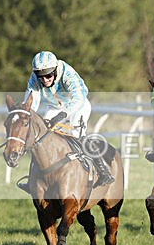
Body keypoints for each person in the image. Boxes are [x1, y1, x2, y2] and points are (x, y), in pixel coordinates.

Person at [21, 50, 114, 188]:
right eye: (41, 76)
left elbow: (79, 96)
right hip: (54, 107)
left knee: (76, 134)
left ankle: (103, 171)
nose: (45, 80)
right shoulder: (35, 78)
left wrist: (62, 115)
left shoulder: (66, 71)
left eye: (48, 75)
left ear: (55, 70)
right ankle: (32, 180)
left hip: (78, 105)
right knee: (40, 137)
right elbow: (31, 102)